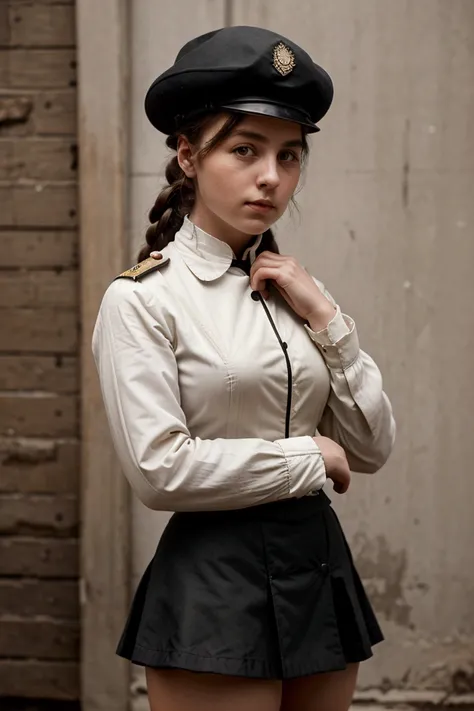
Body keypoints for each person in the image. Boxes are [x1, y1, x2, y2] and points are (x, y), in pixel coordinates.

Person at [92, 25, 396, 711]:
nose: (271, 176)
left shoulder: (295, 293)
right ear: (188, 153)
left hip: (319, 570)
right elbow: (158, 468)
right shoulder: (142, 299)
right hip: (215, 583)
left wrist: (327, 319)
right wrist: (309, 455)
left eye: (289, 156)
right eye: (245, 149)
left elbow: (372, 447)